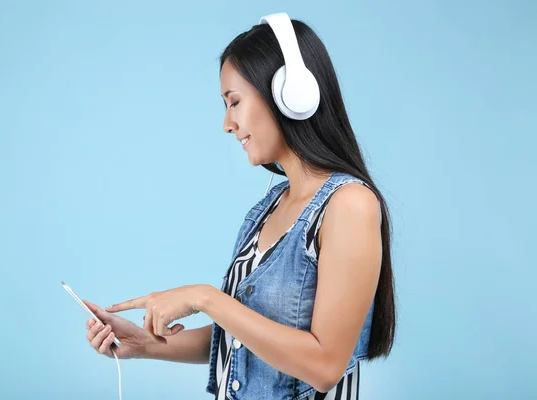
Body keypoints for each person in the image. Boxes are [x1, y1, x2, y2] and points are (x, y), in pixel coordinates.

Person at [82, 12, 395, 400]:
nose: (227, 124)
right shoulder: (271, 205)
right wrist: (144, 344)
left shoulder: (350, 205)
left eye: (234, 102)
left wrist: (204, 298)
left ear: (289, 94)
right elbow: (247, 344)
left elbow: (324, 365)